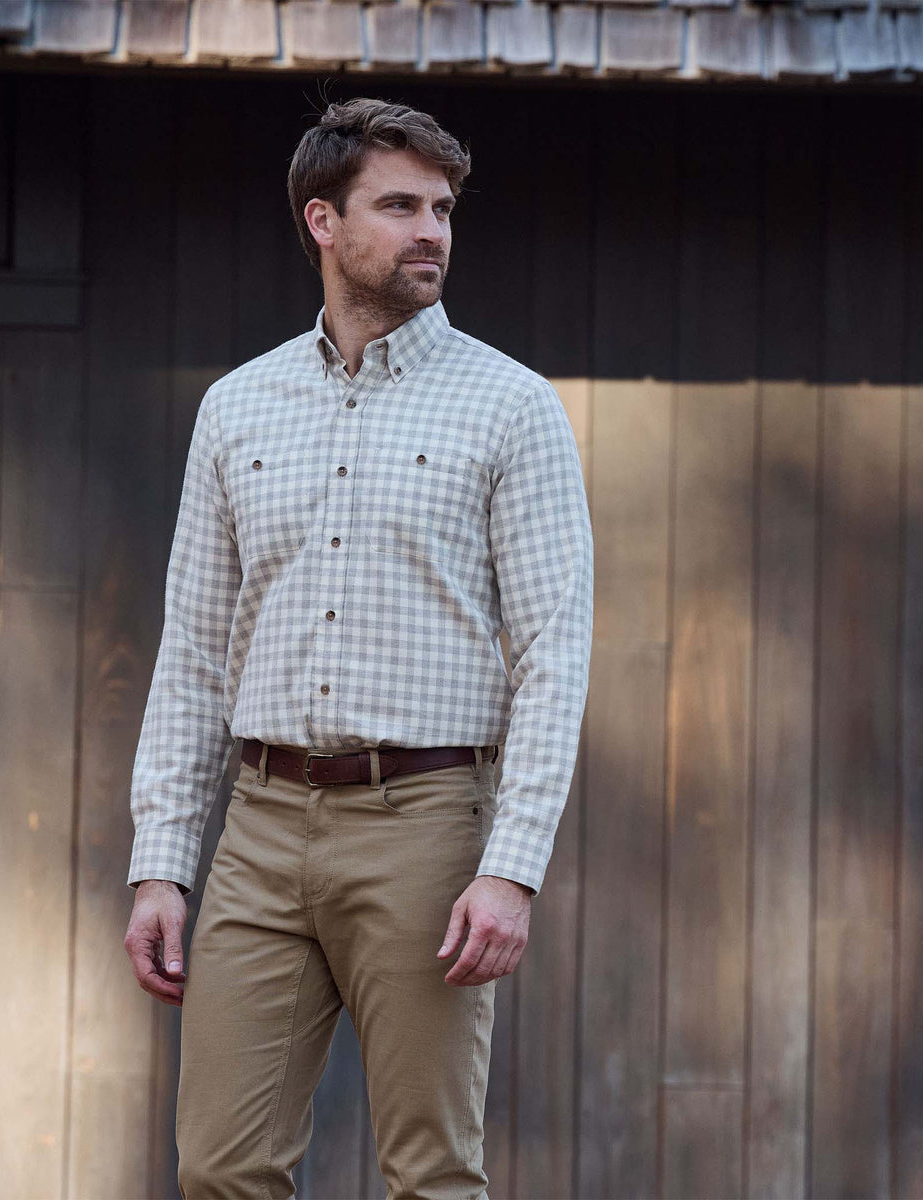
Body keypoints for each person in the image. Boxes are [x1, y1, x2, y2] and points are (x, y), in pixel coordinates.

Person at [123, 96, 593, 1200]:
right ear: (322, 221)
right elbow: (193, 650)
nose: (431, 229)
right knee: (221, 1168)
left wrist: (510, 869)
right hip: (261, 826)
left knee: (430, 1172)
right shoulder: (238, 409)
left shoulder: (509, 407)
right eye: (399, 205)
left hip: (427, 826)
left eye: (442, 207)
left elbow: (553, 654)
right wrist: (161, 863)